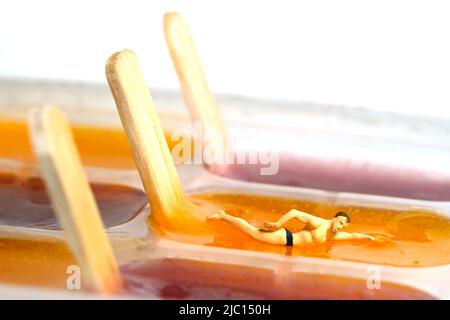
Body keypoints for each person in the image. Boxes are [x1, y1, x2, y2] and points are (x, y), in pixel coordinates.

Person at [208, 209, 374, 246]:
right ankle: (223, 215)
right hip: (283, 237)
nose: (341, 227)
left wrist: (370, 237)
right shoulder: (318, 223)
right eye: (341, 223)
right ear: (335, 218)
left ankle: (223, 217)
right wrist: (278, 224)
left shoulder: (332, 234)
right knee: (250, 232)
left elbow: (353, 235)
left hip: (287, 244)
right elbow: (294, 212)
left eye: (344, 226)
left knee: (251, 233)